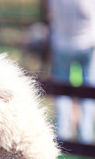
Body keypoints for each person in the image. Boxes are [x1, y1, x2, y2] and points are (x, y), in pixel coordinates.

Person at [47, 0, 95, 144]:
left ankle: (63, 134)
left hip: (62, 44)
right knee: (88, 89)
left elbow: (51, 12)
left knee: (62, 92)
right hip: (86, 43)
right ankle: (85, 135)